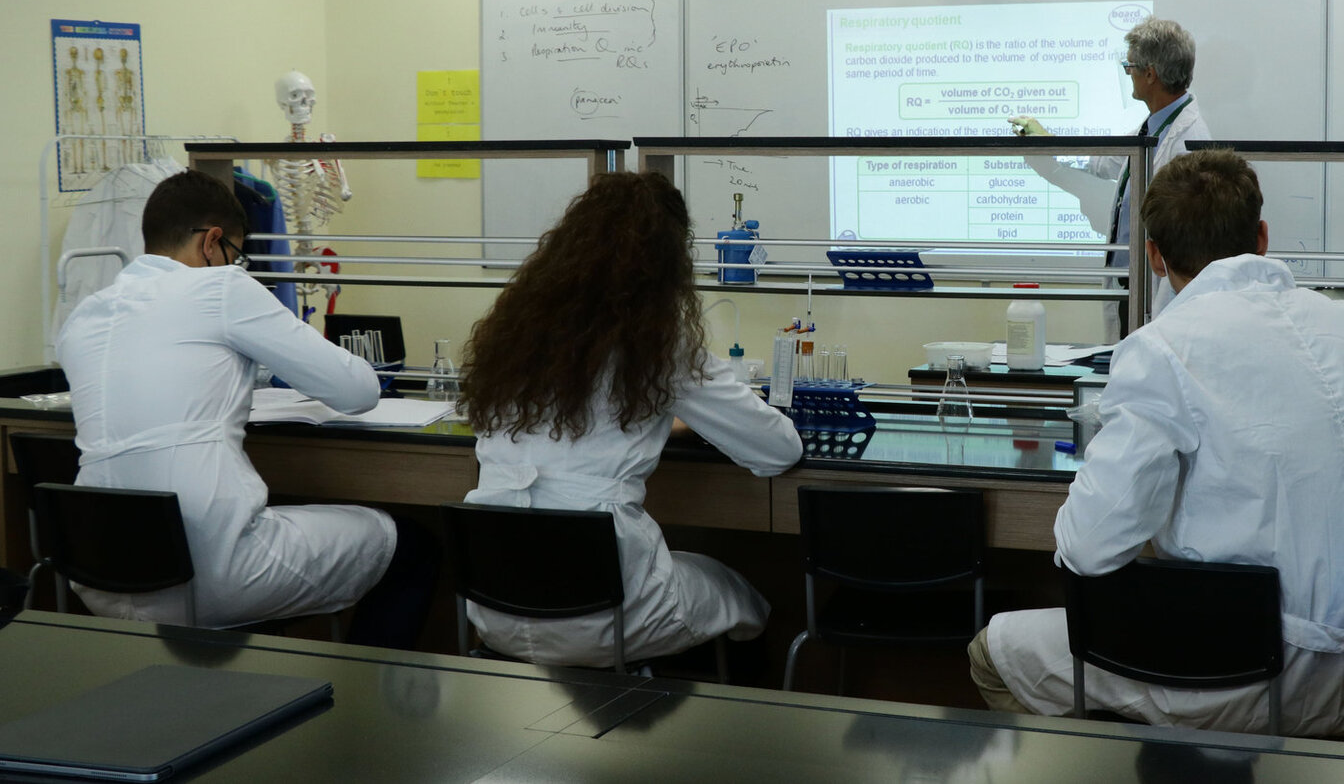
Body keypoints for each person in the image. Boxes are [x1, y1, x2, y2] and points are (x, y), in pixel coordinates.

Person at [971, 151, 1344, 735]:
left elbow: (1089, 548)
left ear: (1154, 256)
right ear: (1262, 237)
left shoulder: (1163, 349)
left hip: (1240, 675)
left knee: (994, 651)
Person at [55, 170, 437, 646]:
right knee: (411, 545)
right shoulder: (221, 288)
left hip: (102, 576)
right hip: (206, 572)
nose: (235, 264)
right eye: (236, 253)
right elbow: (358, 390)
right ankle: (355, 693)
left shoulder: (84, 316)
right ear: (212, 242)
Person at [460, 170, 803, 669]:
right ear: (668, 260)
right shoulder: (659, 344)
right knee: (737, 591)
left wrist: (664, 424)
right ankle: (717, 718)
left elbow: (578, 427)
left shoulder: (517, 337)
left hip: (494, 609)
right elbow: (779, 451)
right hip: (605, 616)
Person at [1009, 17, 1210, 331]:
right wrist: (1049, 141)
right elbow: (1105, 160)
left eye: (1130, 67)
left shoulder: (1185, 140)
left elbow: (1185, 241)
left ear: (1150, 74)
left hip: (1161, 296)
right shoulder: (1156, 126)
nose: (1128, 75)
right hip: (1134, 286)